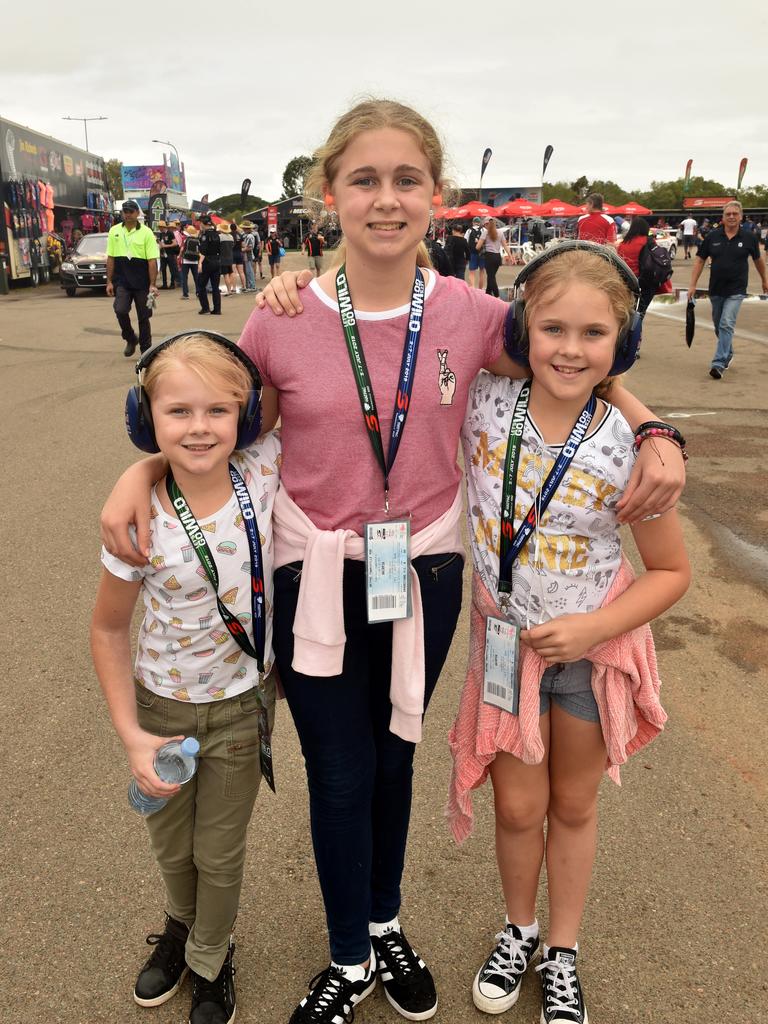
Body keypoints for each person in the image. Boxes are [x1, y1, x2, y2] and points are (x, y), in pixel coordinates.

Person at [101, 99, 685, 1024]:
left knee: (394, 761)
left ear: (435, 195)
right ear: (329, 193)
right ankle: (347, 954)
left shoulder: (472, 313)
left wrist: (654, 426)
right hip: (311, 572)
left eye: (406, 179)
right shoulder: (281, 317)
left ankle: (384, 922)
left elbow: (575, 348)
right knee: (339, 769)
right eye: (364, 180)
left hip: (426, 572)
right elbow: (209, 420)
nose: (386, 199)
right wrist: (140, 470)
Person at [447, 243, 690, 1024]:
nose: (571, 349)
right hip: (503, 650)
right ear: (522, 329)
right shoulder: (482, 399)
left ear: (623, 343)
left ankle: (561, 950)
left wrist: (594, 627)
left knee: (573, 807)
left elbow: (669, 572)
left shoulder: (631, 449)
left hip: (590, 659)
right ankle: (517, 931)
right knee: (518, 809)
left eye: (594, 333)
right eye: (552, 328)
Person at [91, 332, 280, 1024]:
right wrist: (131, 735)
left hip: (239, 709)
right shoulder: (137, 520)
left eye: (217, 412)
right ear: (147, 420)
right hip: (162, 709)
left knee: (218, 852)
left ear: (246, 418)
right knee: (172, 845)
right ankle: (180, 921)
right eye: (177, 412)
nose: (199, 427)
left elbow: (299, 380)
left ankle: (209, 953)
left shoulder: (264, 471)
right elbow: (109, 629)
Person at [688, 200, 768, 379]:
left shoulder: (749, 238)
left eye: (735, 214)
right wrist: (692, 284)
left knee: (726, 323)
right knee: (719, 326)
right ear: (723, 217)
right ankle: (728, 351)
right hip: (715, 289)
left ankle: (718, 363)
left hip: (737, 289)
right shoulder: (712, 237)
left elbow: (758, 261)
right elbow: (700, 260)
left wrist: (765, 280)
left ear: (740, 216)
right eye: (728, 214)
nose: (731, 217)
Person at [106, 199, 160, 357]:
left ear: (137, 213)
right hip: (122, 281)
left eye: (131, 211)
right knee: (120, 310)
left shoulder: (146, 232)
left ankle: (146, 351)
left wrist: (152, 284)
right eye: (125, 211)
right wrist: (109, 281)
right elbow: (110, 257)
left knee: (144, 317)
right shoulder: (114, 230)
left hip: (142, 282)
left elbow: (152, 261)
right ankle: (130, 338)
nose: (128, 214)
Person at [617, 216, 655, 316]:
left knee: (630, 309)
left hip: (626, 280)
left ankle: (630, 326)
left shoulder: (623, 243)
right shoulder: (647, 240)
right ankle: (637, 324)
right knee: (641, 311)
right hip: (643, 279)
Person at [476, 217, 510, 297]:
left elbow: (477, 247)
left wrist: (478, 241)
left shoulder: (485, 233)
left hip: (489, 257)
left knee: (491, 277)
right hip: (498, 257)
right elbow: (505, 245)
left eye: (485, 225)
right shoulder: (500, 232)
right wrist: (510, 255)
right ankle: (487, 294)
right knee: (491, 276)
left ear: (487, 224)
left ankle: (497, 296)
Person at [197, 215, 222, 316]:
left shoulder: (205, 235)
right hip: (217, 261)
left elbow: (203, 251)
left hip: (207, 261)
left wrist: (200, 264)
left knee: (201, 285)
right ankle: (217, 309)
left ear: (203, 224)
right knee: (215, 287)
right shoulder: (217, 234)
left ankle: (205, 307)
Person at [179, 225, 201, 300]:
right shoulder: (197, 240)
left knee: (184, 277)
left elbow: (182, 249)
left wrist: (180, 256)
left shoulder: (185, 239)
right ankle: (198, 292)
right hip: (195, 261)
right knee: (196, 277)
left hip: (186, 260)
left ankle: (185, 294)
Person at [158, 221, 180, 289]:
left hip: (170, 254)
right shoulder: (161, 234)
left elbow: (175, 243)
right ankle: (164, 284)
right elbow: (161, 243)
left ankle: (172, 284)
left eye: (160, 227)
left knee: (172, 269)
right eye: (159, 227)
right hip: (163, 254)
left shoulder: (170, 233)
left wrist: (165, 246)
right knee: (163, 269)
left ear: (164, 227)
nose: (160, 228)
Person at [466, 217, 486, 289]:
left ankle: (473, 288)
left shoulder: (469, 231)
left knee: (472, 272)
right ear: (480, 222)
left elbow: (465, 241)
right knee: (482, 272)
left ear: (473, 222)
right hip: (482, 253)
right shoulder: (484, 230)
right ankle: (480, 289)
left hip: (472, 253)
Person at [218, 223, 236, 296]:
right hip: (230, 257)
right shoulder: (231, 237)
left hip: (222, 258)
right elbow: (232, 246)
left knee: (225, 275)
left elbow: (217, 247)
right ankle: (231, 288)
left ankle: (229, 290)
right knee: (231, 273)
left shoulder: (220, 237)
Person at [241, 221, 258, 292]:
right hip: (247, 255)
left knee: (249, 271)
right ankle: (249, 285)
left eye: (244, 228)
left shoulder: (250, 236)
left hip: (249, 255)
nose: (243, 229)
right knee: (247, 271)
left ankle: (252, 286)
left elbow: (250, 247)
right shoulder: (246, 235)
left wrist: (242, 249)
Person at [230, 221, 247, 293]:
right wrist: (241, 249)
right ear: (236, 228)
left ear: (230, 228)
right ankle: (244, 286)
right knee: (241, 272)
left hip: (232, 254)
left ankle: (234, 288)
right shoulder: (240, 235)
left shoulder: (230, 235)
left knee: (233, 272)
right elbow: (244, 245)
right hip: (239, 254)